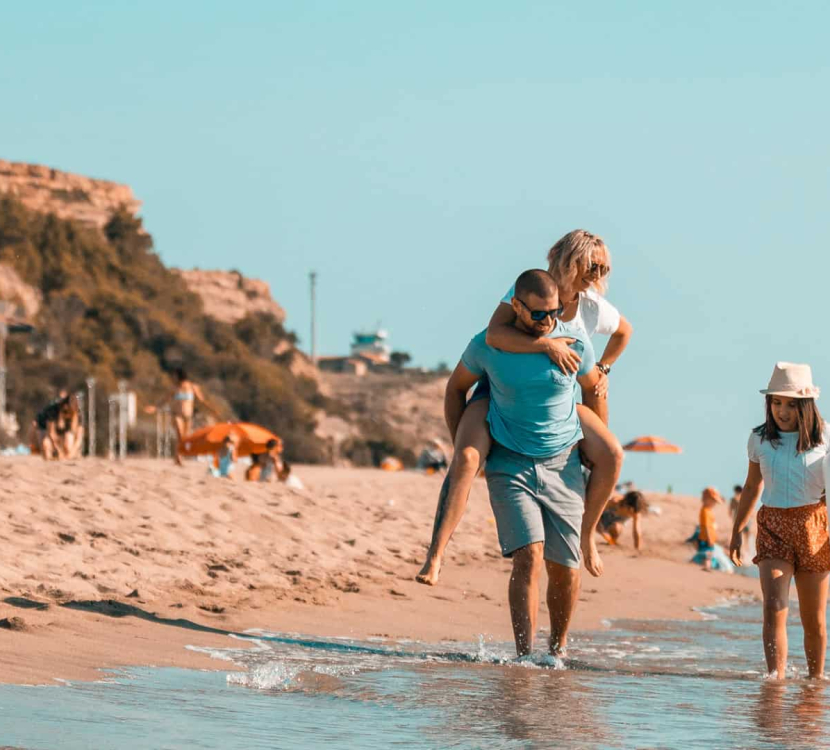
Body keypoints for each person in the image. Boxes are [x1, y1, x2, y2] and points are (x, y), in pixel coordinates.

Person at [417, 229, 630, 585]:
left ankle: (588, 533)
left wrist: (605, 367)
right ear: (571, 260)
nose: (598, 277)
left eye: (604, 270)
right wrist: (548, 345)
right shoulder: (533, 290)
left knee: (611, 452)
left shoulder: (592, 307)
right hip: (500, 389)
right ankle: (436, 555)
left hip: (558, 401)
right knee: (467, 458)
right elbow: (494, 336)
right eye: (594, 267)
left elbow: (623, 333)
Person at [444, 269, 620, 657]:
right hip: (510, 460)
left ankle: (555, 651)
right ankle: (524, 656)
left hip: (563, 461)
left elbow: (594, 389)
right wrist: (467, 445)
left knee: (566, 566)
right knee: (529, 555)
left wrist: (593, 444)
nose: (547, 322)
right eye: (538, 314)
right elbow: (457, 387)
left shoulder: (575, 341)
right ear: (517, 307)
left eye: (554, 313)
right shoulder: (490, 343)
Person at [730, 362, 830, 679]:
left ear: (805, 405)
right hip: (773, 525)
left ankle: (814, 682)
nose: (781, 411)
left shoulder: (825, 438)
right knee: (774, 607)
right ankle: (776, 680)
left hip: (814, 526)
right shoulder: (759, 439)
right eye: (776, 402)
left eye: (789, 404)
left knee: (813, 619)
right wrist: (736, 530)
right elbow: (751, 486)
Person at [145, 368, 220, 465]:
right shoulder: (174, 388)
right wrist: (155, 407)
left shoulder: (193, 387)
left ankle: (177, 457)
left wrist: (213, 409)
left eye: (174, 376)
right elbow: (164, 400)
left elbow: (202, 400)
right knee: (180, 436)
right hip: (177, 415)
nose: (173, 378)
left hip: (188, 416)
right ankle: (179, 458)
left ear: (179, 376)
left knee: (184, 438)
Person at [690, 487, 732, 572]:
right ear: (706, 499)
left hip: (708, 538)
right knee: (707, 554)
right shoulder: (705, 511)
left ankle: (703, 565)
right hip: (706, 538)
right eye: (713, 501)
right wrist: (709, 538)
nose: (714, 504)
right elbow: (706, 526)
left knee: (707, 553)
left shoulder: (708, 511)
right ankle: (707, 567)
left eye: (715, 502)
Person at [34, 393, 83, 460]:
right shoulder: (53, 411)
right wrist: (58, 450)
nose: (68, 415)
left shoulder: (77, 414)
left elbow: (79, 439)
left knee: (68, 443)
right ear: (64, 406)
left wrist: (71, 453)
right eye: (65, 411)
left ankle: (72, 456)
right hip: (47, 430)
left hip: (63, 434)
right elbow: (51, 434)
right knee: (45, 445)